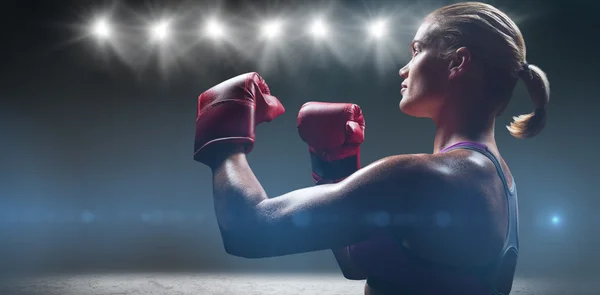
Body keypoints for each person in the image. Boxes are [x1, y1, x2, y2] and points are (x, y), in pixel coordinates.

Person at [192, 2, 550, 294]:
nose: (403, 69)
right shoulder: (491, 175)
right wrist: (334, 168)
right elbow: (359, 263)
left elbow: (249, 231)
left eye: (417, 50)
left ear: (458, 62)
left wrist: (224, 137)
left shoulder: (429, 177)